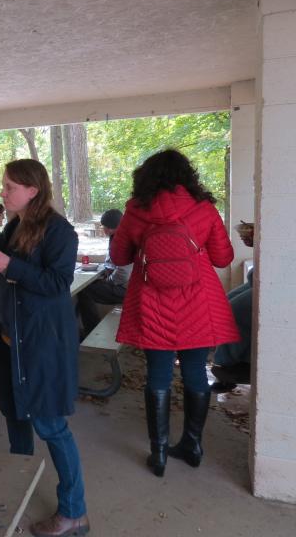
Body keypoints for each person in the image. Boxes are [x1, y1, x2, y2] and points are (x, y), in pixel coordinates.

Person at [0, 159, 89, 537]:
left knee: (51, 427)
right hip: (10, 343)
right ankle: (18, 491)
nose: (2, 192)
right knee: (16, 420)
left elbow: (57, 284)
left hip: (41, 345)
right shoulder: (15, 225)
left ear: (32, 190)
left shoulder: (60, 231)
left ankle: (74, 512)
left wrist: (9, 266)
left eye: (10, 187)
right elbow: (4, 268)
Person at [110, 149, 238, 478]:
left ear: (146, 177)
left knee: (158, 375)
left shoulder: (136, 210)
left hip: (152, 303)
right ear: (187, 176)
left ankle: (159, 453)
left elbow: (120, 256)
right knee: (196, 372)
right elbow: (223, 259)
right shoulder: (204, 209)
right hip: (198, 303)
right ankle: (192, 445)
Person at [75, 209, 132, 338]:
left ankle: (90, 330)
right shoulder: (119, 237)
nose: (103, 229)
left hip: (126, 290)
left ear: (110, 228)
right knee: (89, 288)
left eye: (104, 227)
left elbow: (123, 273)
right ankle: (82, 328)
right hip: (124, 286)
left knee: (85, 290)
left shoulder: (123, 242)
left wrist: (108, 280)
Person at [211, 222, 254, 390]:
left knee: (235, 311)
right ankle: (232, 363)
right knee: (225, 304)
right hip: (262, 276)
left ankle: (226, 366)